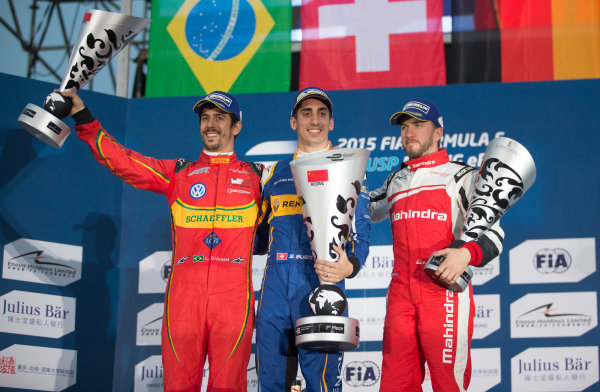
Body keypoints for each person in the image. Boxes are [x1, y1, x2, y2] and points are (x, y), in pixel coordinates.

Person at [61, 90, 262, 392]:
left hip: (233, 300)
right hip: (184, 299)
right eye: (205, 118)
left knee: (228, 387)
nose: (210, 124)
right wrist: (82, 116)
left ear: (236, 127)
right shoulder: (179, 173)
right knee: (178, 386)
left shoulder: (257, 177)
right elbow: (124, 162)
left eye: (219, 118)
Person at [369, 99, 504, 392]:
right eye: (404, 127)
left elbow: (494, 236)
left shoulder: (463, 177)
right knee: (395, 384)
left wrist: (466, 253)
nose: (409, 132)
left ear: (438, 132)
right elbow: (362, 210)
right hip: (401, 295)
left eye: (418, 125)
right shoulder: (396, 181)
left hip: (443, 293)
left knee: (448, 385)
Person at [253, 87, 370, 392]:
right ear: (294, 122)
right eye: (306, 113)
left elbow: (361, 229)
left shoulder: (348, 167)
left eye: (321, 114)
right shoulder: (275, 174)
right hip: (275, 287)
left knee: (322, 385)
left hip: (320, 284)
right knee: (272, 382)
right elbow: (257, 236)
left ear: (331, 122)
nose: (314, 120)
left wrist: (352, 265)